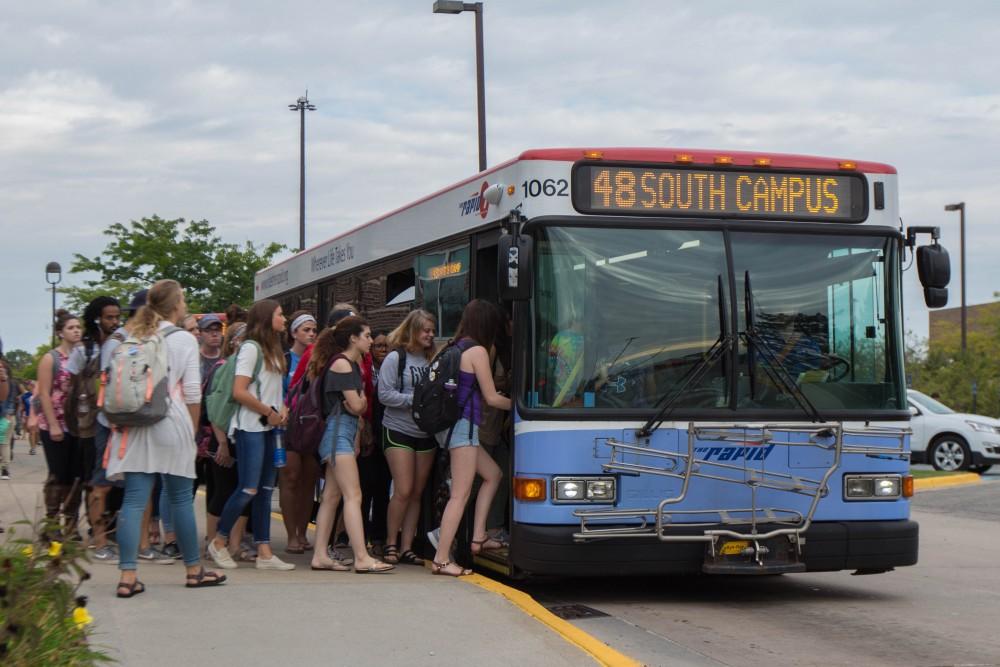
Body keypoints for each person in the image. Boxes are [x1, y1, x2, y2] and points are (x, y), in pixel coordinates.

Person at [104, 279, 226, 597]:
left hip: (135, 423)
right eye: (183, 298)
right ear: (175, 305)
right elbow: (191, 393)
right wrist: (192, 431)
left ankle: (128, 576)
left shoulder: (134, 335)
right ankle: (193, 570)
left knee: (133, 499)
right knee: (180, 499)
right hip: (172, 421)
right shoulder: (185, 339)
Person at [208, 300, 295, 571]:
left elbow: (276, 389)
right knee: (248, 487)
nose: (285, 318)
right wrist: (269, 411)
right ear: (267, 318)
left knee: (266, 491)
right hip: (250, 427)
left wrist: (282, 408)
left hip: (270, 428)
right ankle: (219, 541)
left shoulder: (275, 350)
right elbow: (239, 391)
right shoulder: (250, 348)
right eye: (280, 314)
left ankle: (264, 551)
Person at [431, 300, 511, 577]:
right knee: (460, 494)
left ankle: (478, 537)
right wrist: (524, 407)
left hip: (455, 426)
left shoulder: (454, 345)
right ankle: (441, 559)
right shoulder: (477, 350)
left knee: (493, 474)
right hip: (463, 427)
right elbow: (491, 397)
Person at [308, 316, 393, 573]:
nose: (371, 340)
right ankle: (362, 557)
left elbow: (357, 405)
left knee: (332, 496)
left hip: (339, 434)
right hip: (337, 435)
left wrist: (359, 405)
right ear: (353, 338)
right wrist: (360, 404)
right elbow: (358, 406)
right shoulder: (344, 365)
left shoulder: (349, 363)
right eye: (367, 336)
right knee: (353, 495)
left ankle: (320, 555)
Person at [64, 295, 121, 559]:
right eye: (109, 317)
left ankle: (111, 533)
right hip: (95, 423)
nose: (114, 321)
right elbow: (71, 387)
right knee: (98, 480)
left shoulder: (122, 342)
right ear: (97, 317)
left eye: (117, 316)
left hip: (120, 421)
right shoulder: (83, 349)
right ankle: (98, 539)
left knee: (117, 482)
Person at [378, 310, 436, 565]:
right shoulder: (395, 357)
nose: (430, 335)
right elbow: (385, 394)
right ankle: (390, 543)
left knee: (416, 492)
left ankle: (407, 546)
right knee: (402, 489)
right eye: (426, 330)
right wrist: (416, 401)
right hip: (398, 429)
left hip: (426, 433)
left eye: (432, 330)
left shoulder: (433, 358)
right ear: (413, 330)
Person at [205, 323, 253, 561]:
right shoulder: (223, 368)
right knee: (223, 491)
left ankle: (235, 544)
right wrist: (222, 443)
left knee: (244, 489)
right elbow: (214, 409)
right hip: (223, 438)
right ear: (233, 341)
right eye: (243, 338)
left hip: (244, 434)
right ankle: (212, 540)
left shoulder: (250, 367)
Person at [36, 310, 83, 532]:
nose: (76, 331)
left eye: (78, 327)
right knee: (58, 474)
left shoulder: (83, 356)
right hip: (55, 424)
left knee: (76, 476)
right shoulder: (51, 358)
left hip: (78, 425)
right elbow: (44, 393)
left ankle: (71, 524)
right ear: (60, 333)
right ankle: (51, 524)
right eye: (71, 328)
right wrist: (53, 424)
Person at [280, 310, 319, 554]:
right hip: (289, 426)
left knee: (309, 481)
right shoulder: (284, 360)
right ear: (294, 333)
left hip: (313, 425)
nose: (311, 334)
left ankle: (304, 532)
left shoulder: (318, 358)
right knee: (290, 478)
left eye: (314, 330)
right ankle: (291, 534)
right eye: (306, 330)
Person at [359, 330, 391, 553]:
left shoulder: (392, 369)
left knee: (382, 488)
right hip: (367, 436)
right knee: (364, 488)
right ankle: (358, 535)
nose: (382, 350)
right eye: (378, 345)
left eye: (386, 346)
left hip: (386, 435)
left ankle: (378, 537)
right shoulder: (365, 370)